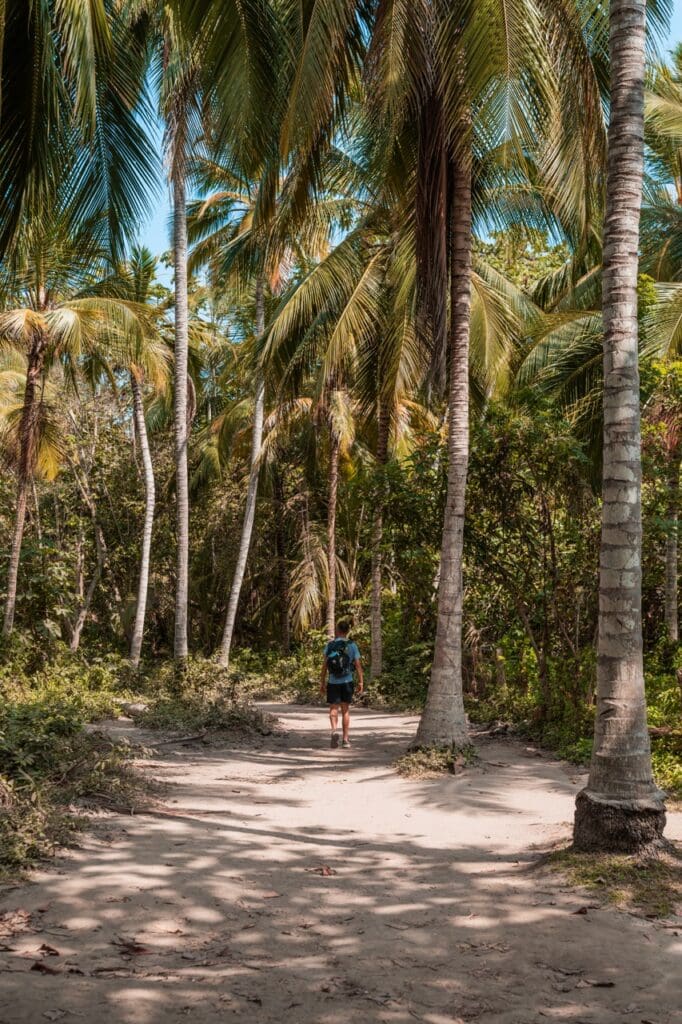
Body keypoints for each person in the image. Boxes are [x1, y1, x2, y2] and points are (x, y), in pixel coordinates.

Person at [319, 620, 363, 748]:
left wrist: (322, 682)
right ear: (348, 631)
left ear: (338, 631)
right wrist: (361, 681)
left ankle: (334, 731)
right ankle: (345, 740)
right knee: (345, 710)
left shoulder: (330, 645)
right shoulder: (352, 645)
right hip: (347, 681)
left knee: (333, 709)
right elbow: (358, 665)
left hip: (333, 681)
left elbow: (324, 666)